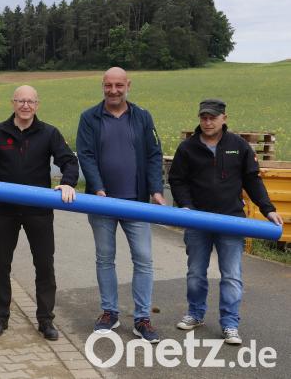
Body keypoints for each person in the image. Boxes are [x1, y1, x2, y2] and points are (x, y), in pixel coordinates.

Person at [168, 99, 283, 345]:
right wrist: (186, 206)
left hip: (231, 221)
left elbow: (252, 179)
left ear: (224, 118)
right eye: (204, 117)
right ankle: (195, 314)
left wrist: (268, 209)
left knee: (231, 275)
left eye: (213, 117)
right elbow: (177, 180)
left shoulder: (238, 146)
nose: (208, 122)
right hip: (198, 221)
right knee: (196, 273)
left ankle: (230, 324)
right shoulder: (187, 148)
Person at [0, 85, 78, 341]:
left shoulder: (49, 133)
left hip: (38, 212)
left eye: (30, 101)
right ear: (13, 103)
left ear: (37, 104)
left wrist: (67, 182)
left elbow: (69, 161)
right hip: (3, 212)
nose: (25, 106)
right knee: (1, 265)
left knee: (44, 266)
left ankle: (45, 320)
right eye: (20, 101)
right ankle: (0, 317)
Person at [76, 66, 165, 343]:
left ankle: (142, 318)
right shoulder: (89, 117)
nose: (113, 90)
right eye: (108, 85)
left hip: (136, 203)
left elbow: (154, 155)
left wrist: (156, 190)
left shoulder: (142, 117)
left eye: (118, 85)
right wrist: (98, 188)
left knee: (143, 260)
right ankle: (109, 312)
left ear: (128, 85)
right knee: (105, 259)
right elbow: (86, 155)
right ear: (102, 86)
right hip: (101, 204)